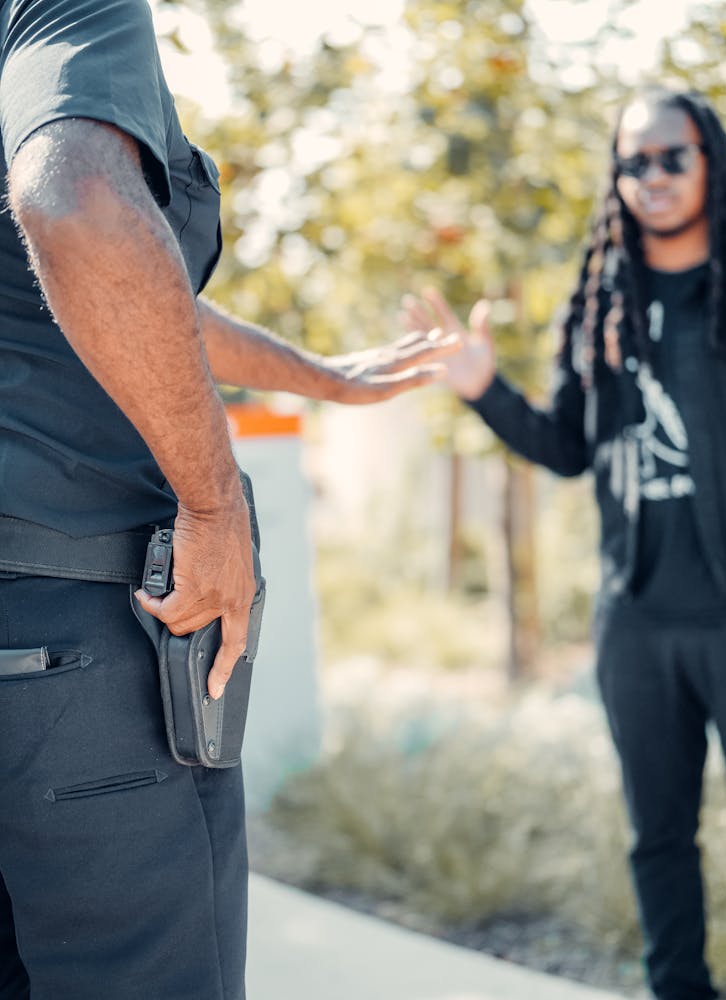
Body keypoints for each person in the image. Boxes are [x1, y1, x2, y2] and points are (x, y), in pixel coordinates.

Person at [0, 2, 456, 998]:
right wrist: (215, 509)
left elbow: (109, 287)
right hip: (70, 656)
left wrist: (324, 376)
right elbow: (76, 205)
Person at [403, 85, 726, 1000]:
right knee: (657, 835)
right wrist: (485, 388)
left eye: (671, 156)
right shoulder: (601, 298)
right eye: (633, 162)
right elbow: (565, 448)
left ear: (709, 161)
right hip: (635, 620)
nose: (652, 176)